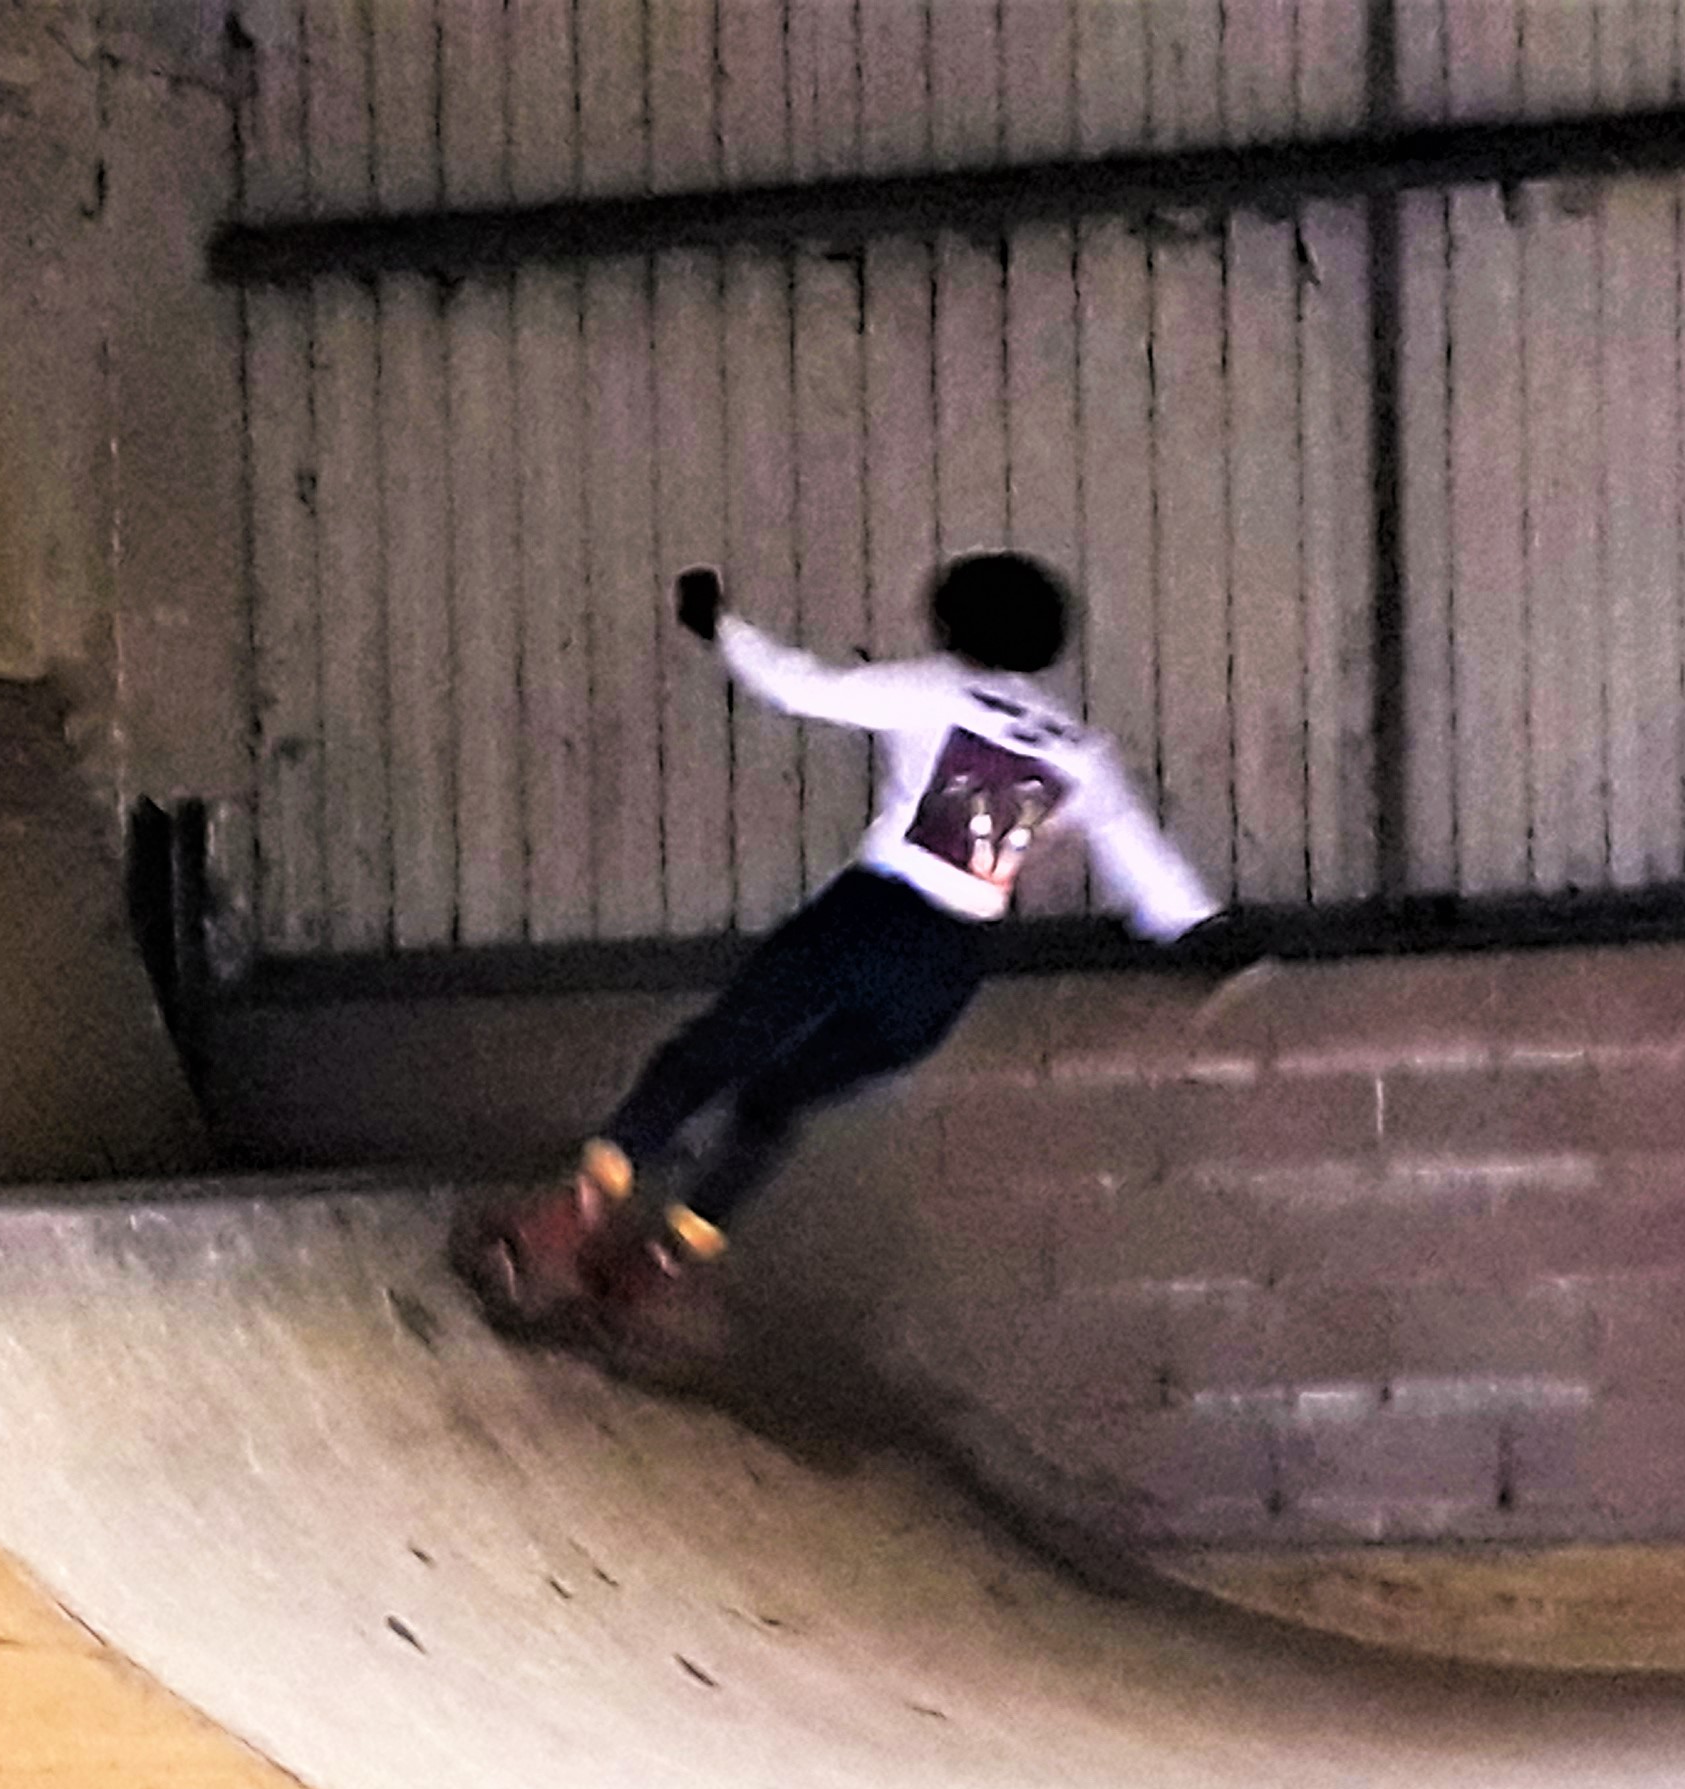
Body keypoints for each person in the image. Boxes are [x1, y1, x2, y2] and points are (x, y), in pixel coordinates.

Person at [457, 551, 1224, 1364]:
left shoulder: (934, 686)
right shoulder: (1081, 750)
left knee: (710, 1053)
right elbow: (1152, 873)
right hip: (950, 966)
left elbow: (802, 687)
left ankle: (561, 1227)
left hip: (868, 918)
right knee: (775, 1103)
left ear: (954, 624)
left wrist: (721, 624)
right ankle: (657, 1269)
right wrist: (1210, 940)